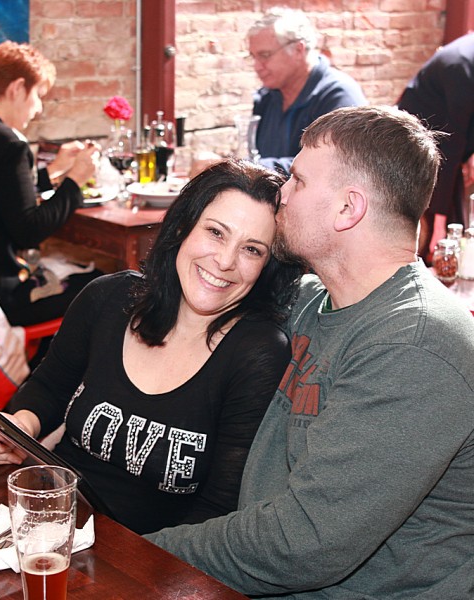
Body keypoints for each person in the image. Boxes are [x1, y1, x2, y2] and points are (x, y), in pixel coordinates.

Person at [146, 106, 474, 598]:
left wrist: (138, 551)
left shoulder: (415, 346)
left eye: (297, 180)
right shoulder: (308, 301)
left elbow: (303, 545)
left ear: (348, 209)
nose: (281, 193)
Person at [0, 158, 302, 535]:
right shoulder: (108, 298)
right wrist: (20, 425)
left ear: (267, 266)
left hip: (151, 554)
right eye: (216, 232)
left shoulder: (258, 353)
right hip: (48, 520)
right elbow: (49, 388)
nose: (226, 261)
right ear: (182, 227)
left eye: (252, 250)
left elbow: (218, 507)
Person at [0, 40, 102, 327]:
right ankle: (53, 356)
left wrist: (53, 170)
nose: (38, 109)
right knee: (103, 286)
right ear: (17, 88)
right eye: (38, 95)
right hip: (4, 295)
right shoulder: (9, 144)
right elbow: (29, 231)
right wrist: (75, 180)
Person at [248, 8, 367, 175]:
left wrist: (248, 168)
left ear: (298, 50)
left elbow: (331, 167)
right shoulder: (266, 98)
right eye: (253, 56)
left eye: (265, 55)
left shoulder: (339, 97)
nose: (256, 66)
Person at [398, 32, 474, 262]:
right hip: (421, 144)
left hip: (451, 141)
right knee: (434, 240)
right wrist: (439, 224)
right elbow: (450, 148)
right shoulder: (460, 64)